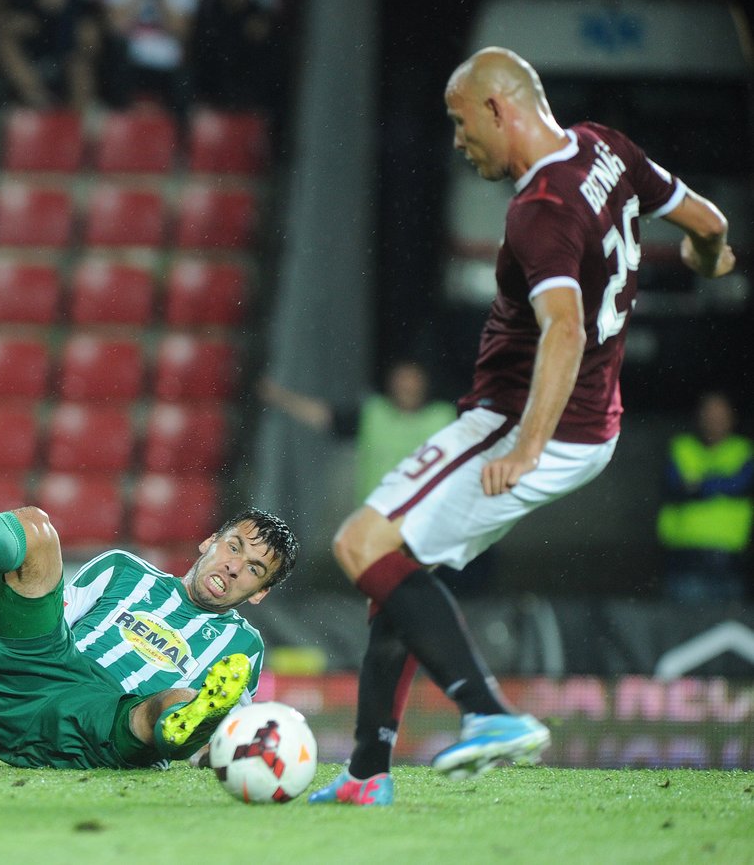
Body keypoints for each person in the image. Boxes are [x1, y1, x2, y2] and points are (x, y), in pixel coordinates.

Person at [309, 46, 736, 805]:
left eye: (459, 120)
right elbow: (707, 221)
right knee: (399, 577)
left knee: (360, 543)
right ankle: (366, 775)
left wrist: (526, 444)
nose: (456, 139)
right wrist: (709, 255)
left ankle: (489, 712)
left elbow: (564, 330)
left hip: (522, 421)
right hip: (593, 425)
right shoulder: (605, 146)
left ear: (499, 109)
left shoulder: (540, 210)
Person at [0, 430, 299, 769]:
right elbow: (25, 635)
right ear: (209, 541)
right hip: (32, 686)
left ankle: (180, 725)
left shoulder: (242, 649)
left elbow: (230, 740)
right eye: (233, 547)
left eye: (254, 569)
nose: (233, 566)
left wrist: (223, 752)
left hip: (103, 728)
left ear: (260, 593)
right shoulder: (123, 570)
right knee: (36, 528)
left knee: (179, 701)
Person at [259, 359, 457, 503]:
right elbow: (326, 417)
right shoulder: (375, 415)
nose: (407, 388)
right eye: (402, 382)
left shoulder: (443, 418)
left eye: (412, 382)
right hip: (374, 522)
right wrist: (279, 396)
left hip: (426, 523)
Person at [657, 391, 753, 603]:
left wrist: (699, 484)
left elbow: (739, 484)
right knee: (683, 621)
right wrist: (720, 483)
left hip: (728, 557)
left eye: (720, 415)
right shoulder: (681, 447)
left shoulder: (744, 451)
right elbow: (674, 485)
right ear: (699, 417)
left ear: (732, 418)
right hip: (684, 555)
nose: (714, 420)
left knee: (727, 622)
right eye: (709, 414)